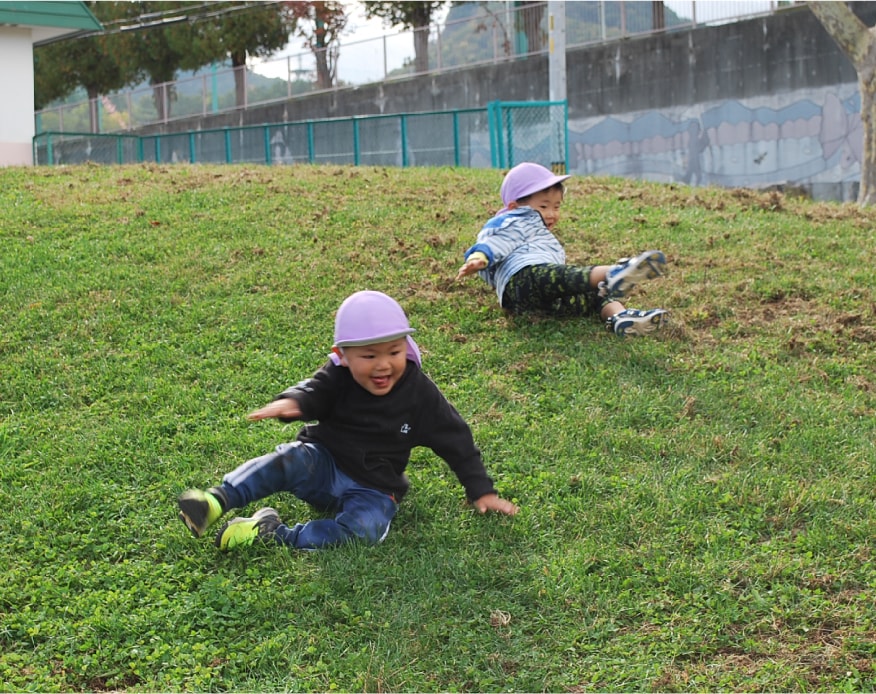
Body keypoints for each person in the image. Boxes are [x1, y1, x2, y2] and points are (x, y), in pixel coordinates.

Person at [177, 290, 519, 552]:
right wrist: (293, 402)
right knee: (288, 459)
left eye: (394, 352)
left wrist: (481, 490)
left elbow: (456, 439)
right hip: (323, 463)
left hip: (375, 486)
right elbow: (314, 391)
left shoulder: (419, 394)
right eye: (369, 355)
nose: (383, 364)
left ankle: (272, 532)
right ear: (342, 355)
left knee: (364, 532)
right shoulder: (337, 376)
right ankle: (216, 500)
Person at [456, 162, 669, 337]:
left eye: (556, 206)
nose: (551, 213)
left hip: (534, 303)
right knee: (568, 276)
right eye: (543, 206)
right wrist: (479, 258)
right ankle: (614, 273)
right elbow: (494, 242)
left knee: (595, 293)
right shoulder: (513, 220)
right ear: (514, 207)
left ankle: (620, 317)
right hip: (524, 278)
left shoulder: (539, 233)